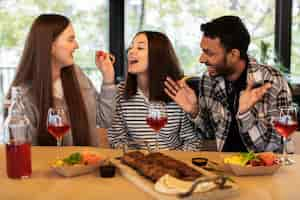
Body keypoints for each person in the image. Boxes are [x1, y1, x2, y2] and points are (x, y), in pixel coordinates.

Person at [164, 15, 292, 153]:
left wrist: (244, 115)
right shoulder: (208, 80)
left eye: (209, 53)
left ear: (233, 55)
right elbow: (209, 134)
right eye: (202, 51)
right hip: (226, 166)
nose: (201, 59)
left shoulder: (272, 81)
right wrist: (194, 111)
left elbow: (275, 147)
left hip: (265, 170)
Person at [5, 14, 116, 146]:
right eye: (70, 40)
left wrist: (108, 78)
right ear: (50, 46)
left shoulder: (78, 75)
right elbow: (24, 151)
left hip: (87, 164)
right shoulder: (24, 96)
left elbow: (105, 119)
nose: (76, 45)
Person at [108, 31, 200, 150]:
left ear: (158, 55)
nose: (131, 51)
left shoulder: (178, 92)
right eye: (131, 47)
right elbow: (116, 139)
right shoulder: (120, 92)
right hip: (137, 163)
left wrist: (168, 163)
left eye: (140, 47)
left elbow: (193, 142)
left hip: (173, 163)